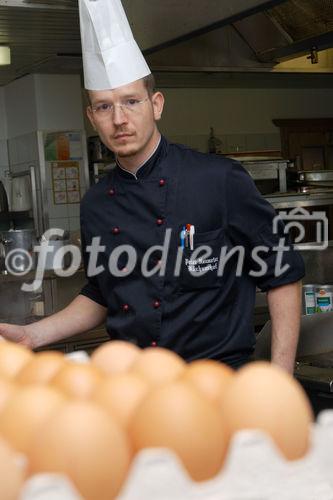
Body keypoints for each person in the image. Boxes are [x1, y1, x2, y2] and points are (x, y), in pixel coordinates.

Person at [0, 0, 304, 372]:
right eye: (104, 107)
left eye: (131, 101)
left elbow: (284, 273)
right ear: (91, 117)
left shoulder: (220, 180)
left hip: (218, 383)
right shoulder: (96, 204)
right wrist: (34, 335)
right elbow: (101, 293)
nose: (120, 119)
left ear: (156, 104)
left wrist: (280, 376)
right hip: (137, 387)